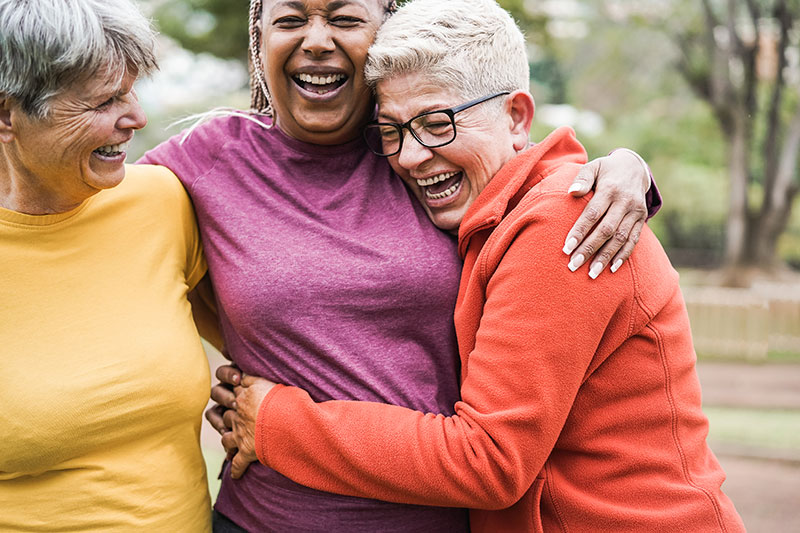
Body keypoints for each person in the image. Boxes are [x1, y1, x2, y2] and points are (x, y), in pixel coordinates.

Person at [225, 1, 746, 532]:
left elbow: (489, 460)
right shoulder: (488, 215)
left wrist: (276, 422)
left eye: (437, 123)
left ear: (517, 116)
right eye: (392, 131)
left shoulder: (563, 225)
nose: (409, 156)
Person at [0, 0, 211, 531]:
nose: (137, 118)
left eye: (132, 90)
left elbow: (263, 342)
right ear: (7, 115)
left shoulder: (162, 202)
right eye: (104, 101)